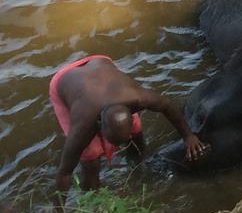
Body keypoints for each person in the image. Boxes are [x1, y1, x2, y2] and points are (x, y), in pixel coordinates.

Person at [50, 55, 209, 193]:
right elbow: (64, 172)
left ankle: (137, 169)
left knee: (136, 135)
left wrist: (188, 136)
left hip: (100, 62)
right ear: (99, 124)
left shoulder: (139, 98)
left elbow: (167, 106)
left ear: (132, 113)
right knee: (90, 156)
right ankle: (93, 196)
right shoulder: (84, 121)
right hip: (65, 79)